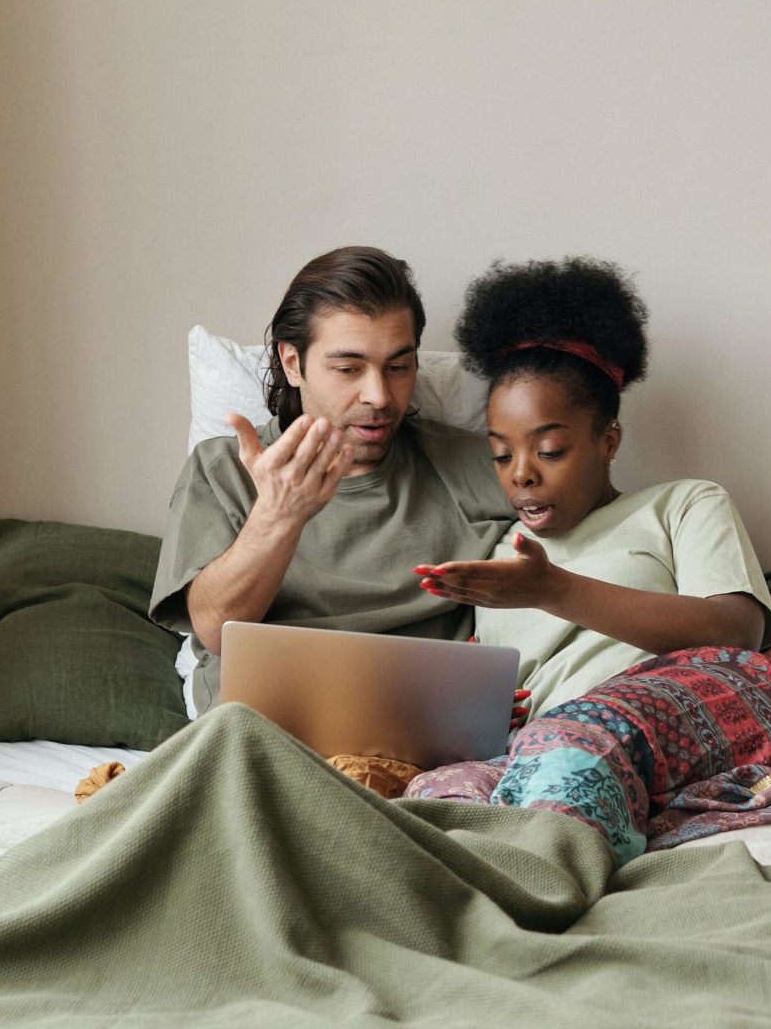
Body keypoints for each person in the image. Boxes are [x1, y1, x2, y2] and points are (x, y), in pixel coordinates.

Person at [409, 257, 771, 861]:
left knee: (567, 747)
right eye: (500, 455)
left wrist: (554, 590)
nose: (523, 475)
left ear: (607, 440)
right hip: (558, 744)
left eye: (550, 449)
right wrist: (486, 707)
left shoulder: (681, 504)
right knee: (434, 795)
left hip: (699, 709)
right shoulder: (501, 557)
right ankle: (520, 888)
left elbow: (736, 630)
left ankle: (550, 876)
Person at [149, 246, 522, 717]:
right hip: (273, 727)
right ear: (292, 362)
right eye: (347, 369)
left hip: (428, 731)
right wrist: (278, 516)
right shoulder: (224, 468)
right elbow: (214, 628)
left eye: (399, 367)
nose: (379, 395)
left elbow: (592, 545)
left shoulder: (477, 464)